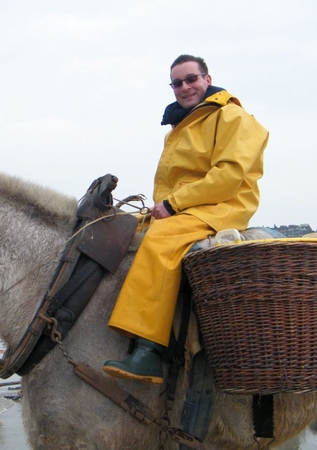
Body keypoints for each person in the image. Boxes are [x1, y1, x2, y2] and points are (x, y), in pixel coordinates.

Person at [103, 54, 269, 384]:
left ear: (207, 79)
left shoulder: (233, 117)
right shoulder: (181, 126)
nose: (184, 87)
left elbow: (228, 176)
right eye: (177, 83)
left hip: (220, 206)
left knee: (161, 241)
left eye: (191, 79)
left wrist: (174, 204)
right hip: (186, 206)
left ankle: (149, 351)